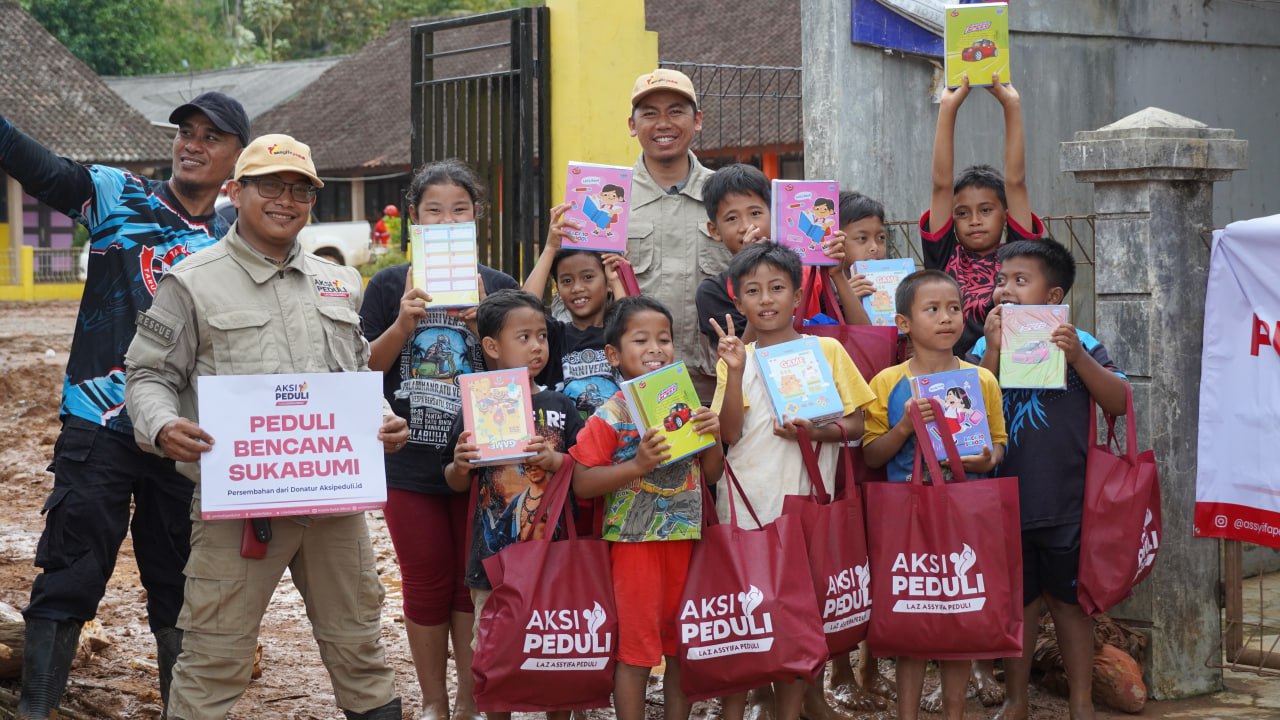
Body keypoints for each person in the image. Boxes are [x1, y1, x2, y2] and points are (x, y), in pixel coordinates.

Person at [123, 133, 407, 719]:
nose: (286, 199)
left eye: (300, 189)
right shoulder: (192, 281)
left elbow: (353, 374)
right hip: (239, 511)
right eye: (271, 186)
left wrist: (381, 421)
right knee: (212, 657)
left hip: (334, 507)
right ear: (236, 191)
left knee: (361, 650)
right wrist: (163, 426)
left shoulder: (339, 282)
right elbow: (146, 375)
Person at [0, 92, 248, 718]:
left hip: (187, 433)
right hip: (101, 420)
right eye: (185, 132)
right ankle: (36, 711)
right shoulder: (117, 194)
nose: (192, 144)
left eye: (210, 137)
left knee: (181, 584)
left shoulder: (237, 235)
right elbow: (36, 165)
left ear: (237, 160)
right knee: (69, 570)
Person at [359, 159, 519, 720]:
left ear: (477, 216)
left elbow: (522, 373)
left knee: (471, 583)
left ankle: (470, 698)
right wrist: (403, 323)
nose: (447, 219)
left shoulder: (498, 287)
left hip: (483, 464)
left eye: (459, 209)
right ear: (414, 221)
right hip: (409, 463)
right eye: (434, 211)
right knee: (425, 581)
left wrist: (483, 326)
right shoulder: (386, 285)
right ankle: (432, 701)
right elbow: (363, 370)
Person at [708, 242, 875, 720]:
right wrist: (736, 371)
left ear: (798, 295)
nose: (766, 299)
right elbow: (730, 433)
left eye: (777, 288)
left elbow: (859, 427)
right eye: (753, 291)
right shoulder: (733, 358)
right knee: (752, 600)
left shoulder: (825, 350)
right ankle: (757, 693)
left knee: (807, 603)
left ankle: (805, 700)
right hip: (747, 499)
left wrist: (816, 432)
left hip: (805, 496)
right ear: (736, 301)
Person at [968, 239, 1128, 720]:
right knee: (1020, 606)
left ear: (1054, 295)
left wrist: (1079, 357)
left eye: (1021, 280)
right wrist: (992, 349)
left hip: (1066, 500)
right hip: (1005, 497)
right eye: (1001, 281)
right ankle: (1017, 700)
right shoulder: (982, 344)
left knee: (1069, 605)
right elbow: (972, 410)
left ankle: (1081, 701)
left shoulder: (1082, 341)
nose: (1006, 291)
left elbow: (1119, 401)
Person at [861, 270, 1007, 720]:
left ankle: (954, 713)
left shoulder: (981, 380)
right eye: (932, 310)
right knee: (913, 615)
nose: (947, 319)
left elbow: (998, 445)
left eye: (954, 309)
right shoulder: (886, 383)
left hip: (966, 513)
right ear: (903, 323)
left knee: (960, 616)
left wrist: (985, 459)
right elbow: (870, 455)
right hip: (907, 519)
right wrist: (905, 426)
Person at [570, 296, 723, 720]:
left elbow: (711, 475)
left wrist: (714, 436)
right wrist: (637, 464)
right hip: (635, 547)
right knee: (636, 652)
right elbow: (582, 481)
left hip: (687, 540)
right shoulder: (611, 413)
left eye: (664, 339)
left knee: (681, 647)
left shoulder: (686, 406)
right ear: (614, 355)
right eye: (641, 340)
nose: (656, 348)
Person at [443, 289, 584, 720]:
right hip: (493, 558)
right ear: (491, 347)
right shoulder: (475, 404)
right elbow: (451, 482)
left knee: (554, 649)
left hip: (552, 556)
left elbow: (582, 472)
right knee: (494, 650)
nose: (537, 345)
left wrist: (556, 460)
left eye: (542, 335)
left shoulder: (560, 405)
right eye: (523, 336)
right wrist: (461, 466)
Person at [920, 73, 1043, 361]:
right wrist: (948, 107)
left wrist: (1010, 104)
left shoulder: (1018, 255)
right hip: (956, 378)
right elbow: (940, 185)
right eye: (962, 213)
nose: (974, 220)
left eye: (986, 210)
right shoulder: (944, 256)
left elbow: (1015, 182)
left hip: (1014, 373)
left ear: (1006, 215)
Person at [625, 68, 729, 403]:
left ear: (697, 120)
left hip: (717, 383)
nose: (664, 124)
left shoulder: (729, 196)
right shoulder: (609, 200)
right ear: (632, 125)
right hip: (634, 385)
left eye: (676, 111)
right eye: (650, 113)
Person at [695, 164, 857, 355]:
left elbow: (859, 333)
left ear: (775, 216)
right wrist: (751, 269)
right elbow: (739, 360)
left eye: (755, 213)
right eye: (732, 218)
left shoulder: (811, 275)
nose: (746, 226)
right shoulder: (713, 292)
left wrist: (837, 275)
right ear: (714, 230)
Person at [522, 202, 627, 420]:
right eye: (567, 280)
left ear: (606, 280)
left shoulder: (620, 334)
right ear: (558, 288)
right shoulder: (554, 335)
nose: (577, 287)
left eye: (588, 277)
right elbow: (523, 309)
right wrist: (550, 248)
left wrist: (616, 280)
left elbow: (635, 327)